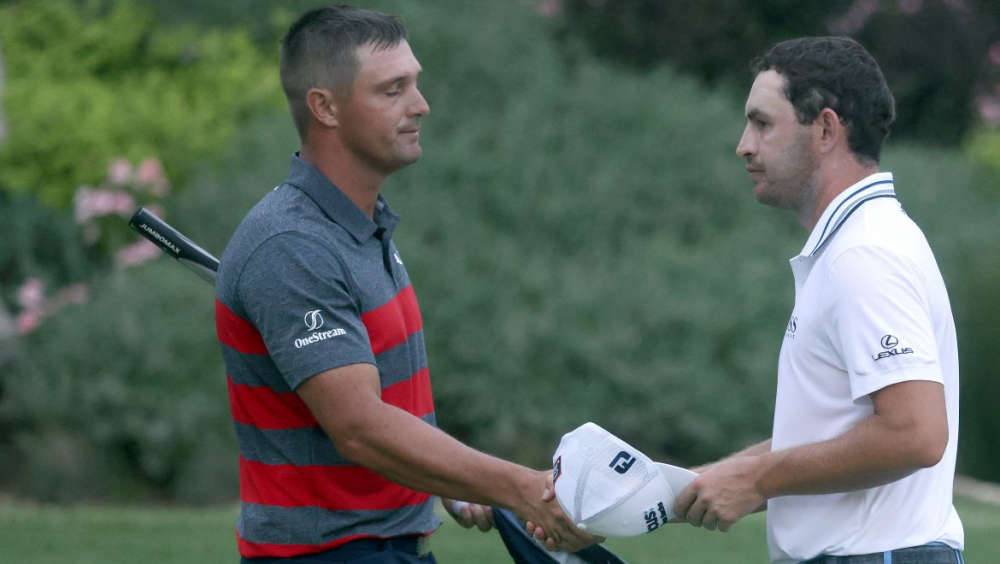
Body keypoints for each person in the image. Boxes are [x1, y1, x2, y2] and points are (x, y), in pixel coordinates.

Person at [214, 5, 598, 562]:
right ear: (325, 107)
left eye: (413, 84)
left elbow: (390, 408)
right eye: (393, 90)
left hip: (392, 547)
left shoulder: (361, 225)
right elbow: (361, 428)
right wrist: (520, 489)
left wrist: (449, 482)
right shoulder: (291, 248)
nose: (421, 105)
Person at [672, 37, 965, 563]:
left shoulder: (865, 253)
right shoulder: (857, 243)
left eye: (762, 123)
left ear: (826, 129)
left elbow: (916, 433)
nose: (743, 144)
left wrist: (758, 479)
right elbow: (832, 434)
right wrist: (671, 491)